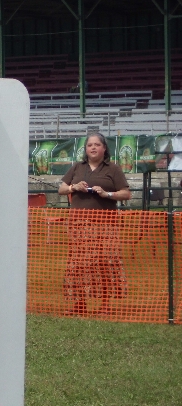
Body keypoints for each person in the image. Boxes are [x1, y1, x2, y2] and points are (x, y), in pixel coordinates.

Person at [58, 132, 132, 315]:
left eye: (97, 144)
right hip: (79, 224)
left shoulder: (113, 169)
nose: (93, 147)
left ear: (104, 148)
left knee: (104, 263)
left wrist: (107, 194)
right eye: (90, 145)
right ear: (86, 149)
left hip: (105, 224)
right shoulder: (77, 167)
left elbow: (126, 193)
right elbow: (61, 188)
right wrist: (73, 187)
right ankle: (79, 304)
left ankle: (105, 305)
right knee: (79, 264)